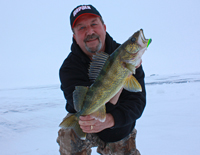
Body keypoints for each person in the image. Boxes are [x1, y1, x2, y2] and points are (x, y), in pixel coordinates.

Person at [57, 4, 146, 155]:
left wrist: (111, 119)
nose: (90, 31)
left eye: (94, 24)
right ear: (74, 36)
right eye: (81, 28)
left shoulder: (126, 58)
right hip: (87, 123)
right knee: (69, 133)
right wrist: (94, 119)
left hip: (119, 127)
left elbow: (137, 102)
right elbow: (79, 105)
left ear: (104, 27)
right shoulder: (69, 68)